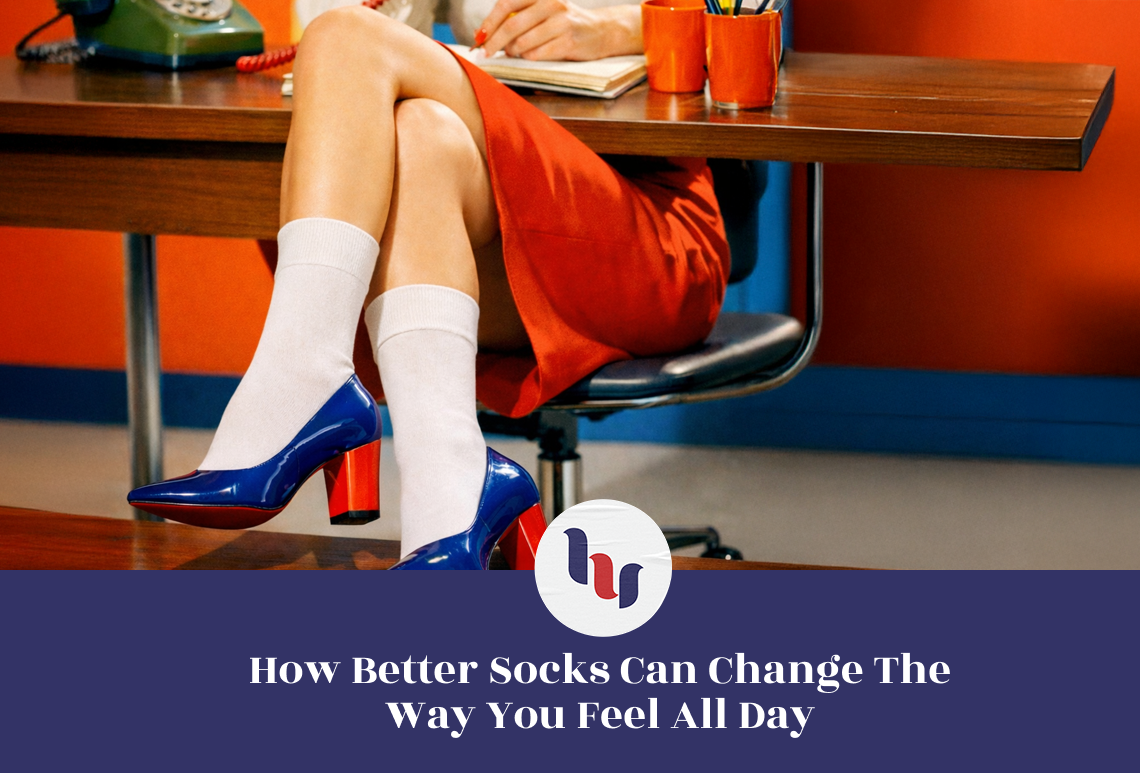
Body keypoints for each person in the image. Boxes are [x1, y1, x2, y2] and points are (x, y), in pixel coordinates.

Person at [128, 0, 730, 569]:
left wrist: (624, 24)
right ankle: (454, 485)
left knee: (345, 38)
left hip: (649, 229)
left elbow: (754, 20)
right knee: (421, 131)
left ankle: (305, 380)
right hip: (501, 220)